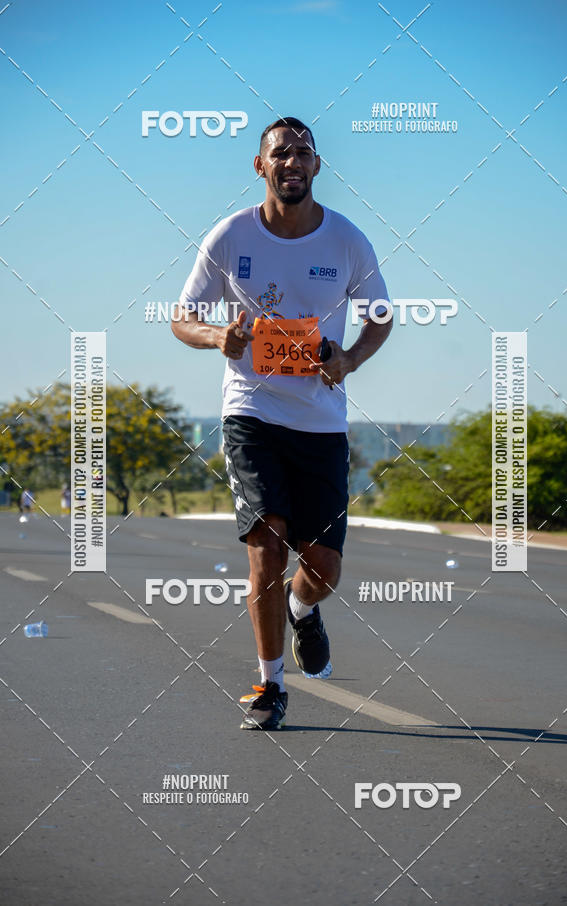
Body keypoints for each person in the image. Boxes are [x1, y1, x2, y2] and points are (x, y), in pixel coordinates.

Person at [173, 117, 391, 730]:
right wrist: (217, 336)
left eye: (303, 153)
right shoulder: (230, 235)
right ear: (260, 165)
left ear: (317, 165)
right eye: (280, 153)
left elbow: (379, 316)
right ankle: (270, 685)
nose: (292, 162)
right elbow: (182, 317)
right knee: (266, 545)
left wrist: (349, 359)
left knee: (323, 569)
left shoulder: (346, 240)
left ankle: (302, 607)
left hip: (320, 423)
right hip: (252, 413)